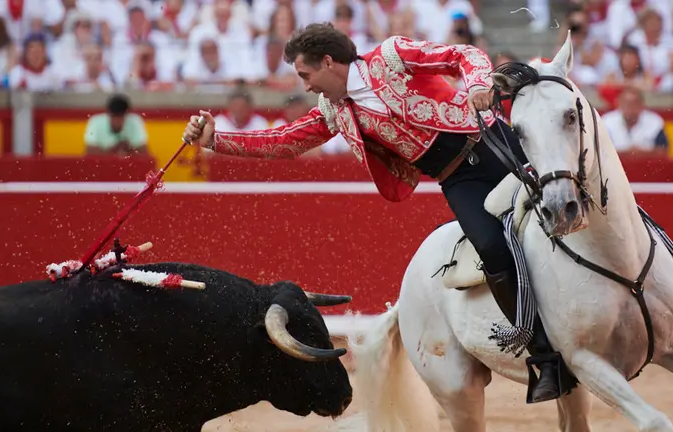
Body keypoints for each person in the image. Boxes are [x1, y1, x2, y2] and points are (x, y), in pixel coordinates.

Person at [182, 22, 566, 403]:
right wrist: (215, 140)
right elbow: (284, 142)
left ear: (328, 62)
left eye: (306, 73)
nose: (306, 85)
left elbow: (461, 55)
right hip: (456, 179)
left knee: (568, 199)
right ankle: (546, 357)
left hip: (492, 141)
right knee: (489, 246)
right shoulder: (334, 111)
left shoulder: (391, 57)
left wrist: (479, 84)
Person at [84, 93, 148, 155]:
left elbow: (144, 153)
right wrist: (114, 150)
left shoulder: (135, 121)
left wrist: (129, 149)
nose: (117, 121)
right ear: (108, 114)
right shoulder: (96, 122)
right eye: (114, 116)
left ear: (127, 115)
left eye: (120, 117)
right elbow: (89, 152)